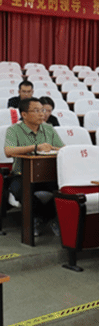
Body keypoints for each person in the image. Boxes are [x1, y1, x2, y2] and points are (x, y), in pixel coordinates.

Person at [4, 97, 64, 236]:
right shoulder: (14, 130)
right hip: (22, 174)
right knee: (19, 190)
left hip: (48, 175)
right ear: (24, 114)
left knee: (65, 189)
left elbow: (62, 149)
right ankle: (45, 217)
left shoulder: (48, 128)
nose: (42, 114)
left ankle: (41, 218)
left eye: (42, 110)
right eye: (36, 111)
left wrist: (51, 148)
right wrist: (35, 147)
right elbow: (8, 151)